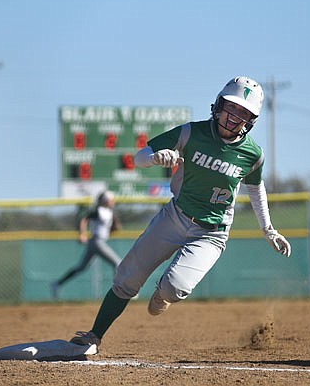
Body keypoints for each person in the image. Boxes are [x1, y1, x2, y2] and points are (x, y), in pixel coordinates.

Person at [68, 76, 292, 348]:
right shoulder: (190, 133)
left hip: (211, 233)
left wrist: (268, 229)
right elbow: (140, 156)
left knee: (174, 288)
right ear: (218, 105)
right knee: (127, 277)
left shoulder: (252, 154)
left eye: (244, 113)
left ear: (252, 120)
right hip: (174, 217)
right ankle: (94, 335)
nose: (235, 116)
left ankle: (162, 295)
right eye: (231, 107)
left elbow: (256, 189)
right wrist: (154, 158)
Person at [51, 190, 122, 299]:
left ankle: (57, 284)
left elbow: (111, 228)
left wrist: (114, 227)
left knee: (81, 268)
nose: (113, 201)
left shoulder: (109, 212)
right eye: (111, 200)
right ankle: (121, 293)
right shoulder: (99, 211)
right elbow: (84, 219)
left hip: (97, 242)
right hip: (97, 242)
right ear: (105, 200)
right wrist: (82, 233)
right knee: (118, 263)